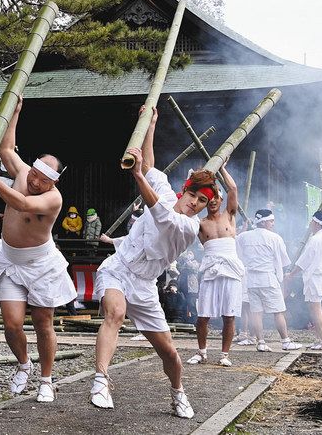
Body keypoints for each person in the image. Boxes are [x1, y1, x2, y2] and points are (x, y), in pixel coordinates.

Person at [92, 105, 217, 419]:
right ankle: (101, 380)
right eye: (194, 197)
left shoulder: (189, 228)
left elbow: (159, 210)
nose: (195, 205)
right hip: (119, 268)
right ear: (184, 190)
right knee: (115, 313)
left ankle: (178, 393)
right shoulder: (163, 188)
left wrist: (136, 177)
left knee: (170, 354)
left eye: (203, 202)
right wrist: (149, 125)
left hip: (146, 285)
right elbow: (149, 164)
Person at [0, 95, 77, 403]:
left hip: (40, 263)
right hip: (10, 258)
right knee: (11, 324)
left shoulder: (53, 199)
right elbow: (7, 149)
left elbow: (20, 203)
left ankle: (46, 379)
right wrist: (15, 112)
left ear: (54, 183)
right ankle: (23, 363)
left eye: (45, 179)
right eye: (35, 173)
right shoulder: (22, 173)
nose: (35, 180)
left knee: (42, 322)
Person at [187, 165, 244, 368]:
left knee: (229, 315)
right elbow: (186, 207)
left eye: (215, 200)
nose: (212, 203)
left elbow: (233, 189)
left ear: (220, 201)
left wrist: (222, 168)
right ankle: (202, 352)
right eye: (208, 200)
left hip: (231, 269)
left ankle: (224, 355)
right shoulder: (199, 223)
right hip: (211, 270)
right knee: (203, 316)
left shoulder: (229, 215)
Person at [235, 209, 302, 352]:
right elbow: (284, 261)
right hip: (268, 278)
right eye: (271, 221)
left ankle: (261, 342)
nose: (273, 223)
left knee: (256, 312)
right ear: (264, 222)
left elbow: (239, 256)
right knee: (278, 311)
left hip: (251, 280)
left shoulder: (243, 237)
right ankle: (285, 341)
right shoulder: (275, 238)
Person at [284, 210, 322, 350]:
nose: (311, 225)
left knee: (316, 310)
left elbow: (305, 260)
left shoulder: (316, 238)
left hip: (316, 278)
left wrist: (291, 274)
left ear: (317, 223)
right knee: (316, 310)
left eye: (312, 222)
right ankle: (320, 339)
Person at [177, 249, 200, 324]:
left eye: (190, 253)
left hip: (191, 288)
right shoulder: (182, 262)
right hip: (182, 286)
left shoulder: (195, 263)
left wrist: (187, 260)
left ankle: (194, 321)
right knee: (183, 303)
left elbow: (191, 267)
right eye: (188, 253)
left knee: (191, 304)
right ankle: (184, 320)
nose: (188, 255)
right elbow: (178, 268)